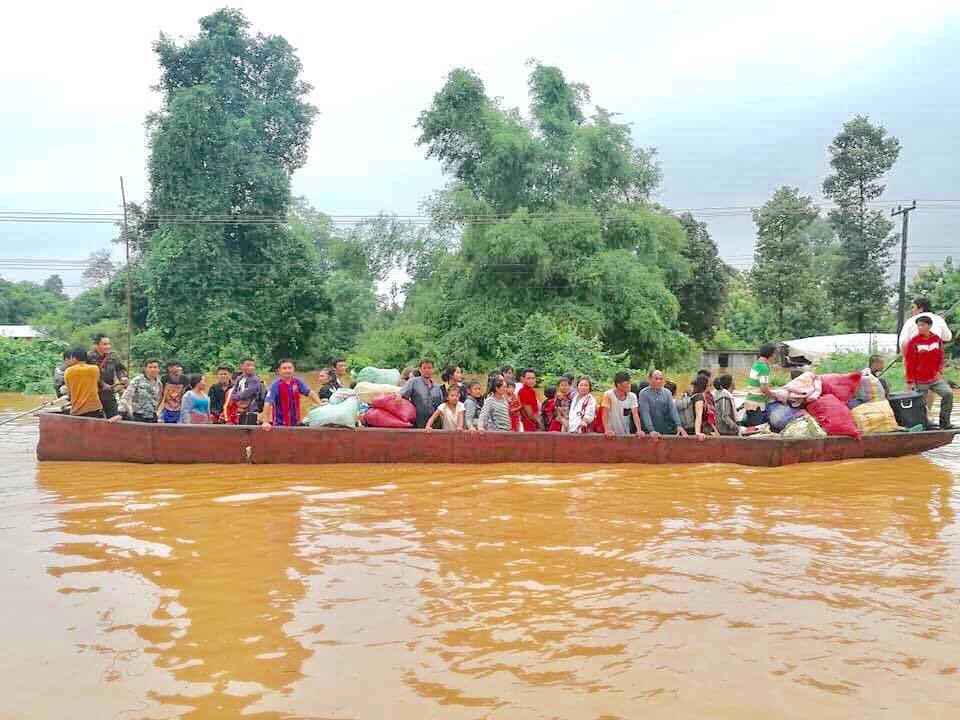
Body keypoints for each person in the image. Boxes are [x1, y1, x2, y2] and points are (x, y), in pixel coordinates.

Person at [904, 316, 954, 430]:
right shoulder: (913, 342)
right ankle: (925, 424)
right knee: (921, 404)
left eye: (922, 325)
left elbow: (941, 356)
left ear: (929, 326)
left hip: (935, 378)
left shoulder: (937, 339)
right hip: (920, 379)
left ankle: (945, 423)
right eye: (918, 325)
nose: (920, 328)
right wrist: (910, 381)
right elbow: (909, 363)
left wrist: (940, 371)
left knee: (948, 394)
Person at [262, 359, 323, 429]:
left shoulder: (297, 382)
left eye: (289, 368)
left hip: (296, 424)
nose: (287, 370)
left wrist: (320, 404)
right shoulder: (275, 385)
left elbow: (310, 392)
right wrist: (265, 421)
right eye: (284, 368)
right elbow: (268, 403)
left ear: (293, 369)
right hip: (280, 425)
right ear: (279, 370)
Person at [63, 348, 115, 420]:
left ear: (74, 357)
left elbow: (70, 395)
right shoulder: (95, 369)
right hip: (95, 409)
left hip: (77, 411)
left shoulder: (68, 371)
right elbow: (95, 383)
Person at [638, 370, 688, 439]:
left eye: (660, 379)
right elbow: (645, 413)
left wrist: (678, 425)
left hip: (666, 431)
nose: (658, 381)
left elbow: (672, 410)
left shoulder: (667, 393)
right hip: (649, 433)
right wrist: (651, 430)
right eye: (656, 379)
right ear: (649, 379)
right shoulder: (644, 394)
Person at [88, 333, 127, 419]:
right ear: (97, 345)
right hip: (93, 394)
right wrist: (102, 384)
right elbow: (89, 375)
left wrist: (122, 377)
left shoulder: (113, 356)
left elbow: (120, 369)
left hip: (109, 392)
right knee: (95, 418)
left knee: (114, 417)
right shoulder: (89, 357)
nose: (108, 346)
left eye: (109, 344)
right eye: (104, 344)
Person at [399, 358, 445, 429]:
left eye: (429, 368)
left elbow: (441, 407)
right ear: (420, 369)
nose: (427, 370)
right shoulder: (413, 382)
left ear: (433, 369)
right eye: (424, 368)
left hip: (434, 426)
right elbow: (402, 394)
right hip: (416, 423)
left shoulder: (437, 388)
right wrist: (398, 396)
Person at [600, 371, 644, 438]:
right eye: (627, 383)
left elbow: (635, 414)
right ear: (619, 385)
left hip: (626, 432)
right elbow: (605, 414)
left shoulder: (632, 396)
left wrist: (639, 430)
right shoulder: (608, 395)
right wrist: (607, 430)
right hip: (611, 432)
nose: (630, 385)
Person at [743, 342, 777, 426]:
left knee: (751, 429)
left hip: (750, 402)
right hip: (757, 404)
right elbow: (764, 388)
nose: (775, 357)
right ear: (771, 355)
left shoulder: (756, 365)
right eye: (775, 354)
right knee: (757, 431)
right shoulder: (764, 368)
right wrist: (774, 396)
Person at [119, 358, 163, 423]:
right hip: (138, 416)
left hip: (152, 417)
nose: (152, 369)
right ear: (145, 369)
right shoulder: (137, 380)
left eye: (155, 367)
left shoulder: (159, 383)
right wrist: (120, 413)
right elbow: (126, 397)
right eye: (150, 367)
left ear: (158, 369)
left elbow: (158, 400)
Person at [232, 357, 265, 426]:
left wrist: (235, 397)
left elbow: (245, 394)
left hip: (251, 411)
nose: (251, 367)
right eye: (248, 365)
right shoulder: (239, 378)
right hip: (239, 410)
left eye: (252, 366)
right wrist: (235, 397)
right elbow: (234, 391)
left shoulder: (255, 380)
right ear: (241, 366)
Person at [687, 374, 717, 441]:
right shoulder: (699, 398)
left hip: (698, 431)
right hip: (699, 432)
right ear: (705, 385)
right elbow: (698, 416)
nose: (710, 386)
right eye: (709, 384)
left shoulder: (695, 396)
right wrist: (698, 433)